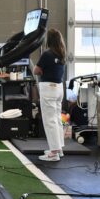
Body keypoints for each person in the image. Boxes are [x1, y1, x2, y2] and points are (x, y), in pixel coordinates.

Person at [33, 28, 66, 162]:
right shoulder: (61, 54)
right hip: (59, 88)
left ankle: (53, 152)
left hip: (48, 89)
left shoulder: (47, 54)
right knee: (56, 119)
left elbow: (36, 70)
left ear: (49, 40)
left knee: (50, 121)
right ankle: (59, 148)